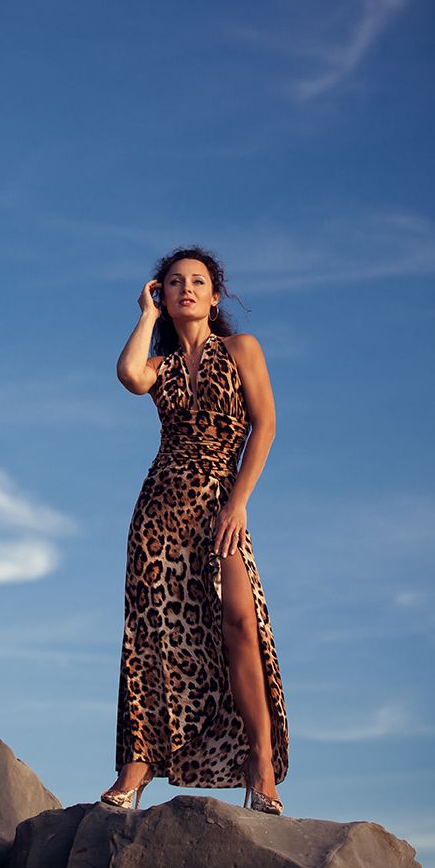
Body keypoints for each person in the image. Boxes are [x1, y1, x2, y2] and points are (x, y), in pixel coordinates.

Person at [100, 246, 289, 815]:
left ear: (215, 295)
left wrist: (238, 503)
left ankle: (260, 764)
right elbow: (129, 374)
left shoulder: (242, 349)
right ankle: (136, 768)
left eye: (198, 281)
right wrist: (147, 314)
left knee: (240, 623)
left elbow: (265, 426)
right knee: (150, 636)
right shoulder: (158, 366)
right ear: (162, 293)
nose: (186, 289)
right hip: (159, 511)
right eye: (174, 282)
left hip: (220, 502)